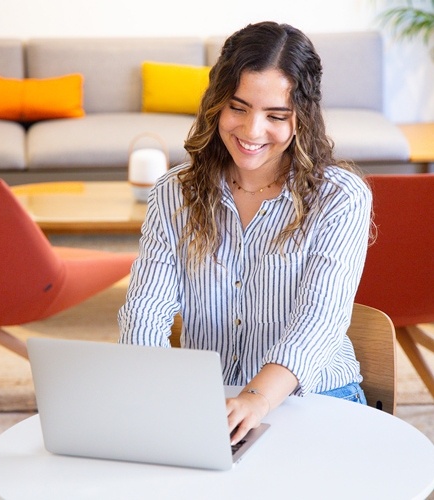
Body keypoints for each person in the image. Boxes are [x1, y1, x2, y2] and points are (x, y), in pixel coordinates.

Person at [118, 21, 372, 445]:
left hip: (317, 399)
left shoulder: (340, 197)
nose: (252, 132)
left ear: (302, 118)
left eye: (276, 116)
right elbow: (145, 311)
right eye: (238, 108)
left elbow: (319, 323)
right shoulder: (174, 192)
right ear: (216, 103)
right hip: (211, 406)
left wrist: (255, 398)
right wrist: (152, 394)